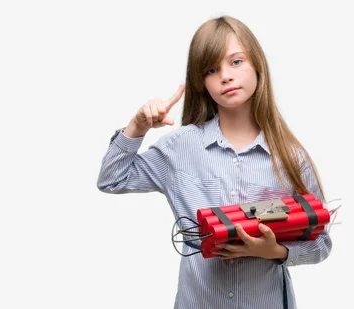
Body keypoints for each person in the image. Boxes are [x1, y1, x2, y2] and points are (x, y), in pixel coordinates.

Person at [97, 15, 332, 309]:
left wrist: (276, 251)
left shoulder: (290, 156)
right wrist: (137, 126)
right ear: (201, 82)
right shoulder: (180, 146)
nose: (225, 76)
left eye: (236, 62)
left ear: (258, 65)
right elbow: (111, 179)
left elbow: (321, 243)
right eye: (211, 69)